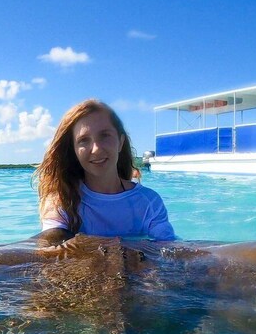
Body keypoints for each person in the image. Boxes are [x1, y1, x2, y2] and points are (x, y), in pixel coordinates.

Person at [34, 99, 175, 240]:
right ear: (74, 150)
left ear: (120, 142)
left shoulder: (148, 202)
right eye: (83, 140)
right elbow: (50, 247)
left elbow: (168, 249)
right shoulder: (62, 200)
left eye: (104, 135)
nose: (96, 149)